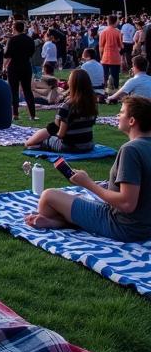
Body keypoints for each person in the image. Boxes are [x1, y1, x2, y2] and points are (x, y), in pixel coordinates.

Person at [26, 95, 151, 242]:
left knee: (47, 198)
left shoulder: (131, 150)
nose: (118, 116)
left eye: (122, 112)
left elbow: (127, 204)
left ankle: (62, 222)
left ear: (131, 121)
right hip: (145, 225)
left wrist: (88, 183)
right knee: (77, 199)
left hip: (124, 226)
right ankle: (63, 221)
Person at [25, 69, 99, 154]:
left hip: (70, 147)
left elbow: (60, 134)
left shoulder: (68, 106)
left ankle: (35, 144)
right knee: (48, 131)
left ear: (72, 84)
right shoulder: (92, 104)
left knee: (45, 137)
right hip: (88, 145)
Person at [3, 20, 37, 120]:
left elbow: (7, 55)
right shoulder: (30, 39)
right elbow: (31, 53)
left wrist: (6, 48)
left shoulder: (12, 40)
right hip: (26, 65)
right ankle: (32, 115)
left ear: (14, 28)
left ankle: (15, 114)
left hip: (14, 66)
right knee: (27, 90)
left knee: (13, 90)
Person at [99, 14, 123, 91]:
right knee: (115, 76)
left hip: (105, 57)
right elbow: (121, 46)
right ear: (115, 21)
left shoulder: (103, 32)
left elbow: (101, 47)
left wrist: (101, 56)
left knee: (105, 76)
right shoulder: (118, 32)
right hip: (115, 57)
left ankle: (105, 90)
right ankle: (115, 90)